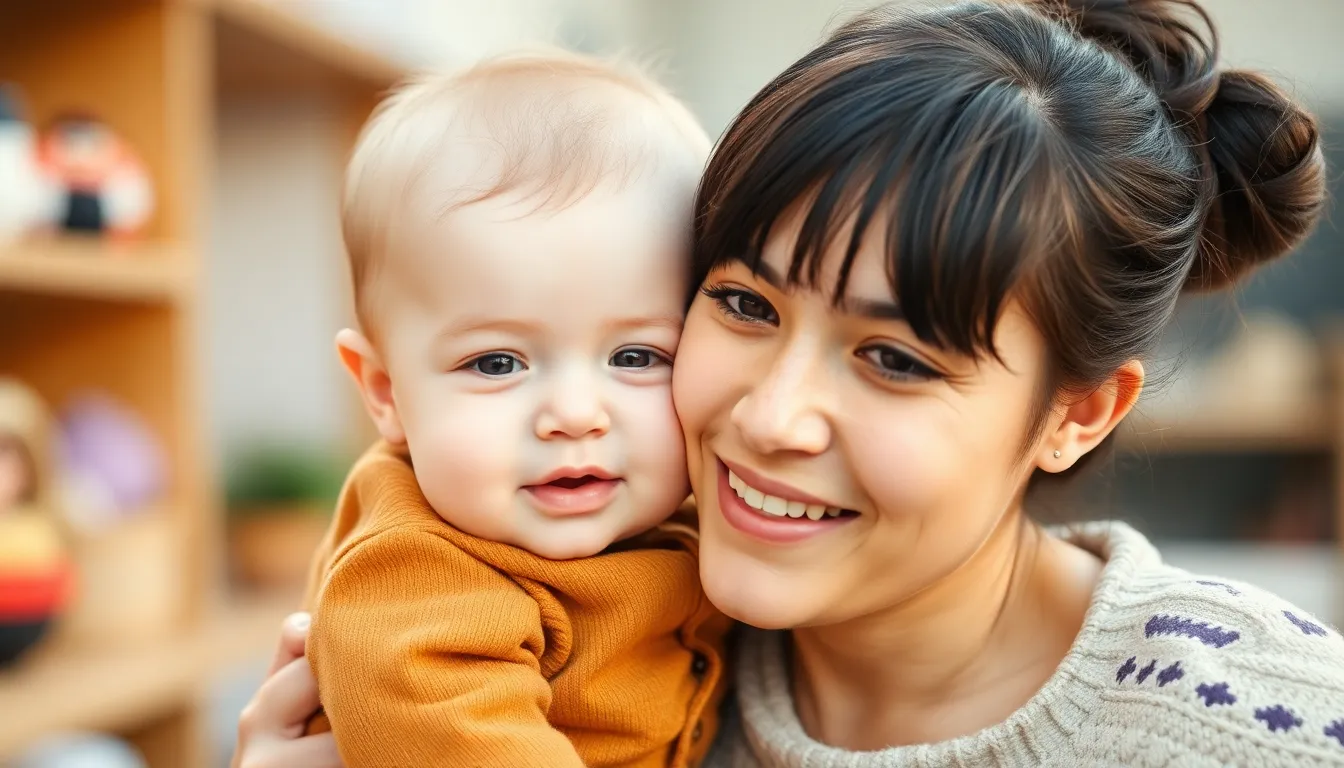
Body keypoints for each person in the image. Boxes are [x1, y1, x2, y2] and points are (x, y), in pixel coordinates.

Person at [233, 1, 1340, 766]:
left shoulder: (1265, 719)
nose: (767, 418)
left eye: (895, 359)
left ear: (1074, 413)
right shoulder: (583, 597)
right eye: (745, 306)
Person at [298, 50, 729, 768]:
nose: (574, 415)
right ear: (385, 392)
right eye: (496, 364)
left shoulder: (685, 517)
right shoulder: (414, 570)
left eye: (636, 356)